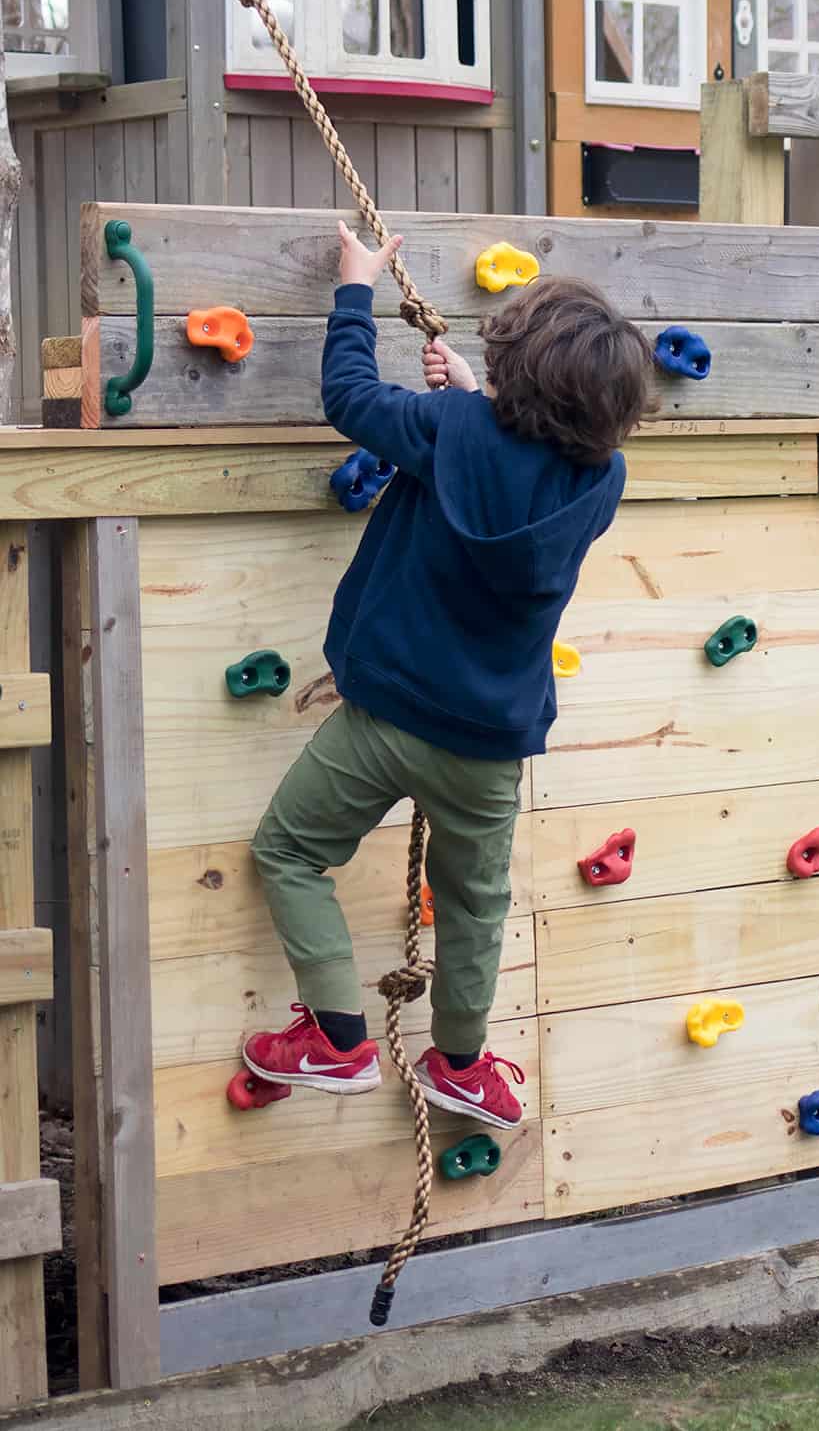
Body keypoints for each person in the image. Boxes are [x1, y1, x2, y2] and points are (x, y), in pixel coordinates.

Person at [241, 221, 653, 1130]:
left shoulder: (446, 429)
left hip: (384, 717)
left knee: (289, 850)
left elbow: (349, 396)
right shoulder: (604, 480)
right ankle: (460, 1063)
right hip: (487, 748)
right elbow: (522, 470)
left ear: (511, 370)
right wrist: (477, 399)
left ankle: (339, 1034)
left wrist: (356, 287)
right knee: (474, 905)